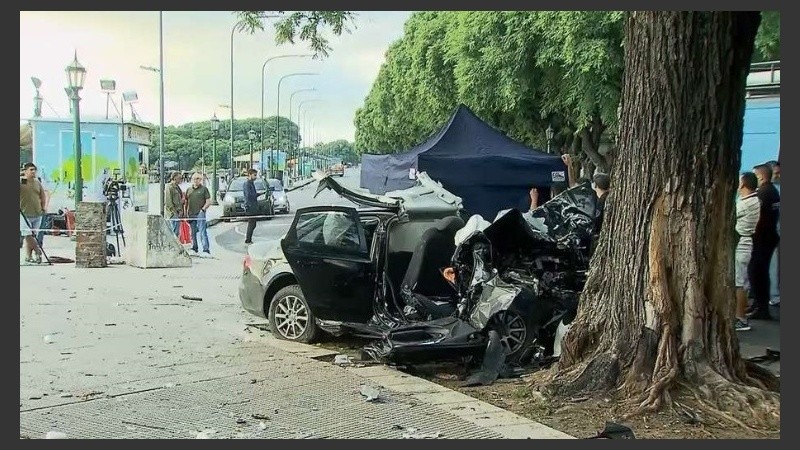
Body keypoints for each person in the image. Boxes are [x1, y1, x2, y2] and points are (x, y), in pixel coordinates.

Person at [747, 163, 780, 321]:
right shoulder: (772, 191)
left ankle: (761, 307)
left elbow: (757, 217)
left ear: (760, 177)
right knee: (760, 272)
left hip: (763, 238)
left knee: (756, 272)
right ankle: (759, 305)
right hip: (768, 237)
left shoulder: (763, 194)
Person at [733, 172, 760, 332]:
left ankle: (741, 319)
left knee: (739, 283)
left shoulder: (746, 204)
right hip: (744, 242)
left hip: (741, 243)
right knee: (741, 282)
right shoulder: (751, 200)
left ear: (743, 184)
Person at [20, 163, 47, 264]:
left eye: (34, 170)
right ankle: (38, 251)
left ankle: (28, 256)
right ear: (25, 171)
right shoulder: (21, 181)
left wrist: (43, 207)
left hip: (37, 213)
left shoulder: (37, 182)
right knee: (28, 234)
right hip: (23, 213)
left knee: (32, 235)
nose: (33, 172)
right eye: (31, 170)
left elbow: (42, 196)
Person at [185, 172, 212, 257]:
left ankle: (206, 249)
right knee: (192, 232)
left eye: (197, 179)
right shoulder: (189, 190)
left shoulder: (204, 189)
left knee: (202, 232)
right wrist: (185, 212)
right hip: (191, 213)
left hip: (200, 213)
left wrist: (203, 210)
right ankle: (194, 248)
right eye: (194, 179)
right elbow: (186, 202)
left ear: (200, 180)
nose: (195, 180)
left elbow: (208, 201)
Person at [766, 160, 780, 306]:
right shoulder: (767, 191)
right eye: (775, 173)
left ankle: (774, 295)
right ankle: (773, 294)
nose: (777, 176)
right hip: (770, 232)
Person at [164, 171, 184, 236]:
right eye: (180, 178)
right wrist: (175, 212)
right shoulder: (169, 187)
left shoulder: (177, 187)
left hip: (178, 212)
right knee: (174, 232)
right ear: (175, 178)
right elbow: (168, 202)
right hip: (173, 213)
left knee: (177, 231)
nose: (181, 180)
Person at [243, 168, 259, 244]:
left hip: (253, 206)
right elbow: (248, 195)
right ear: (250, 175)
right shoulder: (247, 184)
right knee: (251, 223)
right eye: (254, 175)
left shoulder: (251, 183)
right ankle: (248, 239)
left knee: (253, 224)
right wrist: (256, 195)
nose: (255, 177)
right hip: (250, 206)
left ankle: (249, 238)